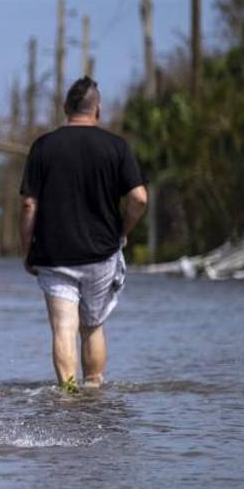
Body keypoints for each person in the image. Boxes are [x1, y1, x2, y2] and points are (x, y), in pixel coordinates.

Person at [19, 76, 148, 390]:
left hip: (54, 253)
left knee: (63, 327)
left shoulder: (43, 146)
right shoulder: (116, 146)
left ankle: (69, 394)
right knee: (92, 326)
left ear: (66, 108)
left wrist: (28, 248)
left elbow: (28, 204)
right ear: (98, 109)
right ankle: (93, 390)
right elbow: (139, 198)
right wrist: (123, 232)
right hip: (101, 254)